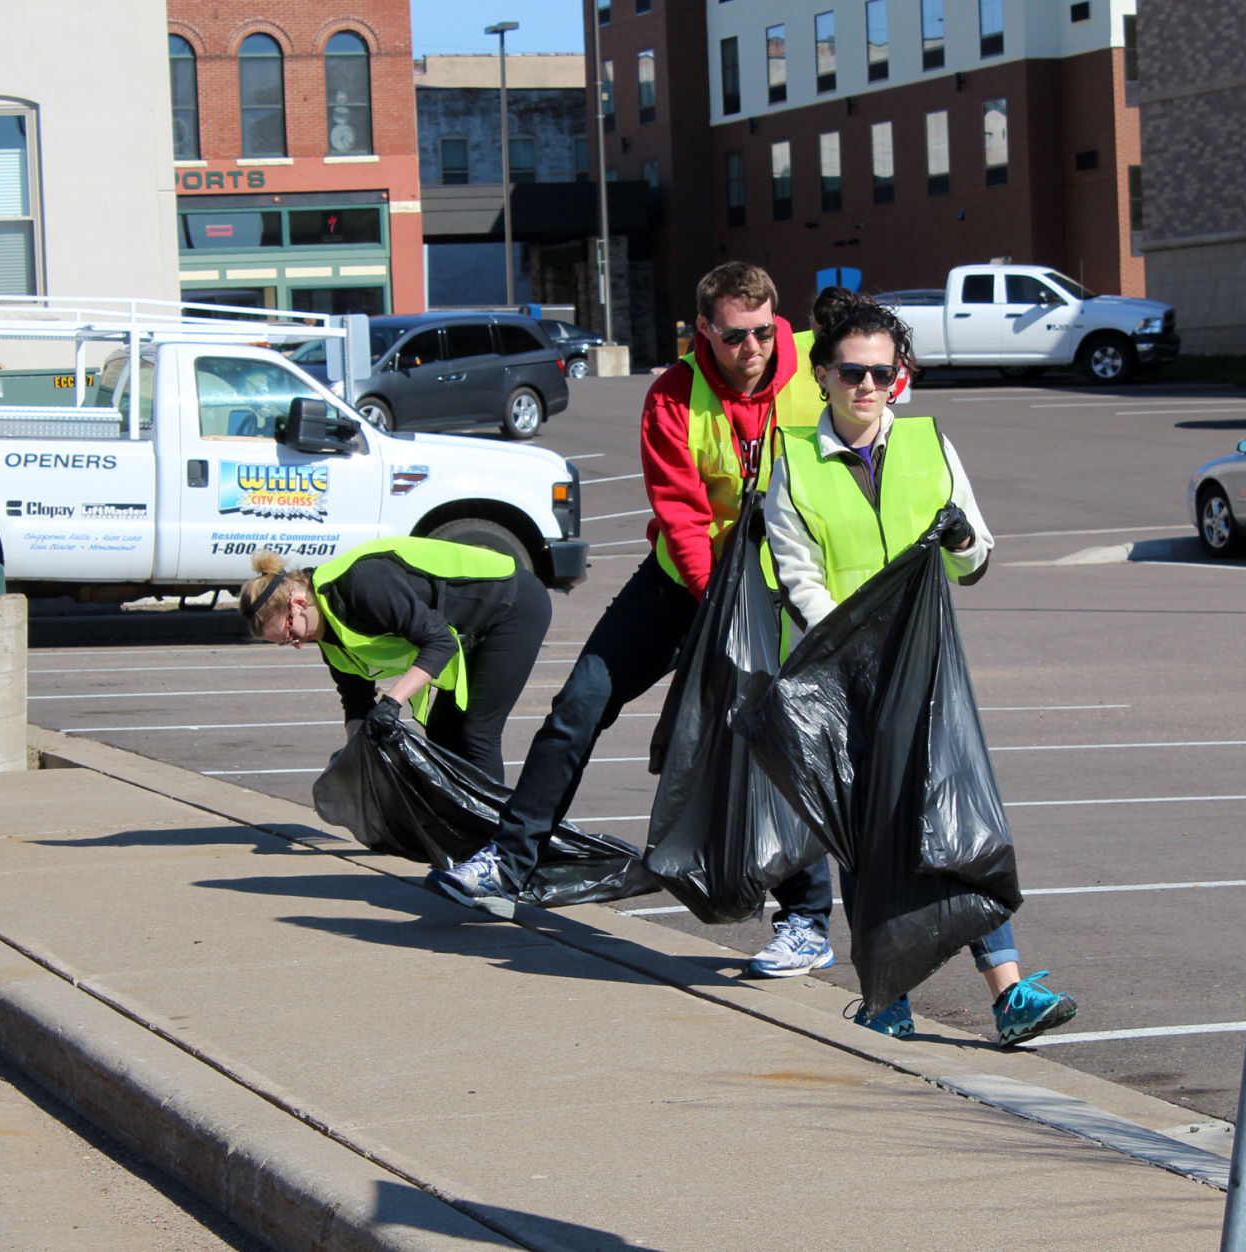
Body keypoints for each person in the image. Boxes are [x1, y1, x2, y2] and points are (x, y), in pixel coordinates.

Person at [428, 262, 836, 959]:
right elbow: (680, 514)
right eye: (736, 336)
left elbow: (874, 400)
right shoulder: (673, 397)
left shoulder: (812, 374)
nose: (754, 349)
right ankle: (509, 860)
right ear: (705, 330)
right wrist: (713, 607)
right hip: (684, 585)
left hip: (777, 590)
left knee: (774, 743)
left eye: (764, 331)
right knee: (578, 706)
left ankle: (805, 922)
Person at [762, 297, 1078, 1046]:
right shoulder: (794, 463)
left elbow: (972, 562)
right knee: (869, 840)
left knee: (957, 821)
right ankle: (886, 995)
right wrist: (852, 644)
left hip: (926, 673)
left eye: (883, 372)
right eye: (852, 371)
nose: (868, 385)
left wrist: (964, 536)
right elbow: (796, 574)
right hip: (837, 681)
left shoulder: (930, 445)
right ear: (822, 376)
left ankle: (1008, 992)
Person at [236, 537, 551, 786]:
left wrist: (392, 701)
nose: (296, 645)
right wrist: (355, 751)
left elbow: (438, 641)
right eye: (286, 643)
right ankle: (462, 824)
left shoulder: (362, 585)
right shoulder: (326, 633)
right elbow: (355, 698)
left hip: (511, 604)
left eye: (290, 634)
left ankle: (493, 841)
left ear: (298, 602)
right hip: (469, 624)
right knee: (442, 728)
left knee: (476, 730)